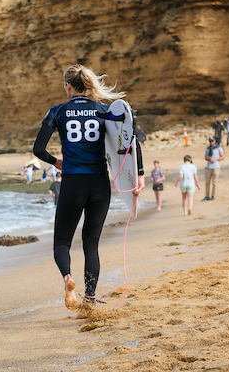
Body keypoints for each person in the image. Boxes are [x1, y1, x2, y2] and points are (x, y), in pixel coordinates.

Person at [32, 64, 145, 311]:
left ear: (67, 86)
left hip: (73, 182)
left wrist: (57, 162)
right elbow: (129, 141)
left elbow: (38, 150)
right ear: (88, 85)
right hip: (99, 184)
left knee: (62, 242)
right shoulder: (103, 110)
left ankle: (68, 280)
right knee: (90, 243)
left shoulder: (58, 111)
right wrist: (138, 177)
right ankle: (90, 299)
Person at [202, 136, 224, 201]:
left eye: (212, 141)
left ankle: (213, 195)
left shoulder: (219, 148)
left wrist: (216, 159)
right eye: (210, 141)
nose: (211, 142)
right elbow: (205, 157)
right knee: (207, 182)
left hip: (216, 167)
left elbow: (222, 157)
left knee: (214, 182)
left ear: (215, 141)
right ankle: (207, 195)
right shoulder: (207, 149)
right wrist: (207, 158)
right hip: (208, 167)